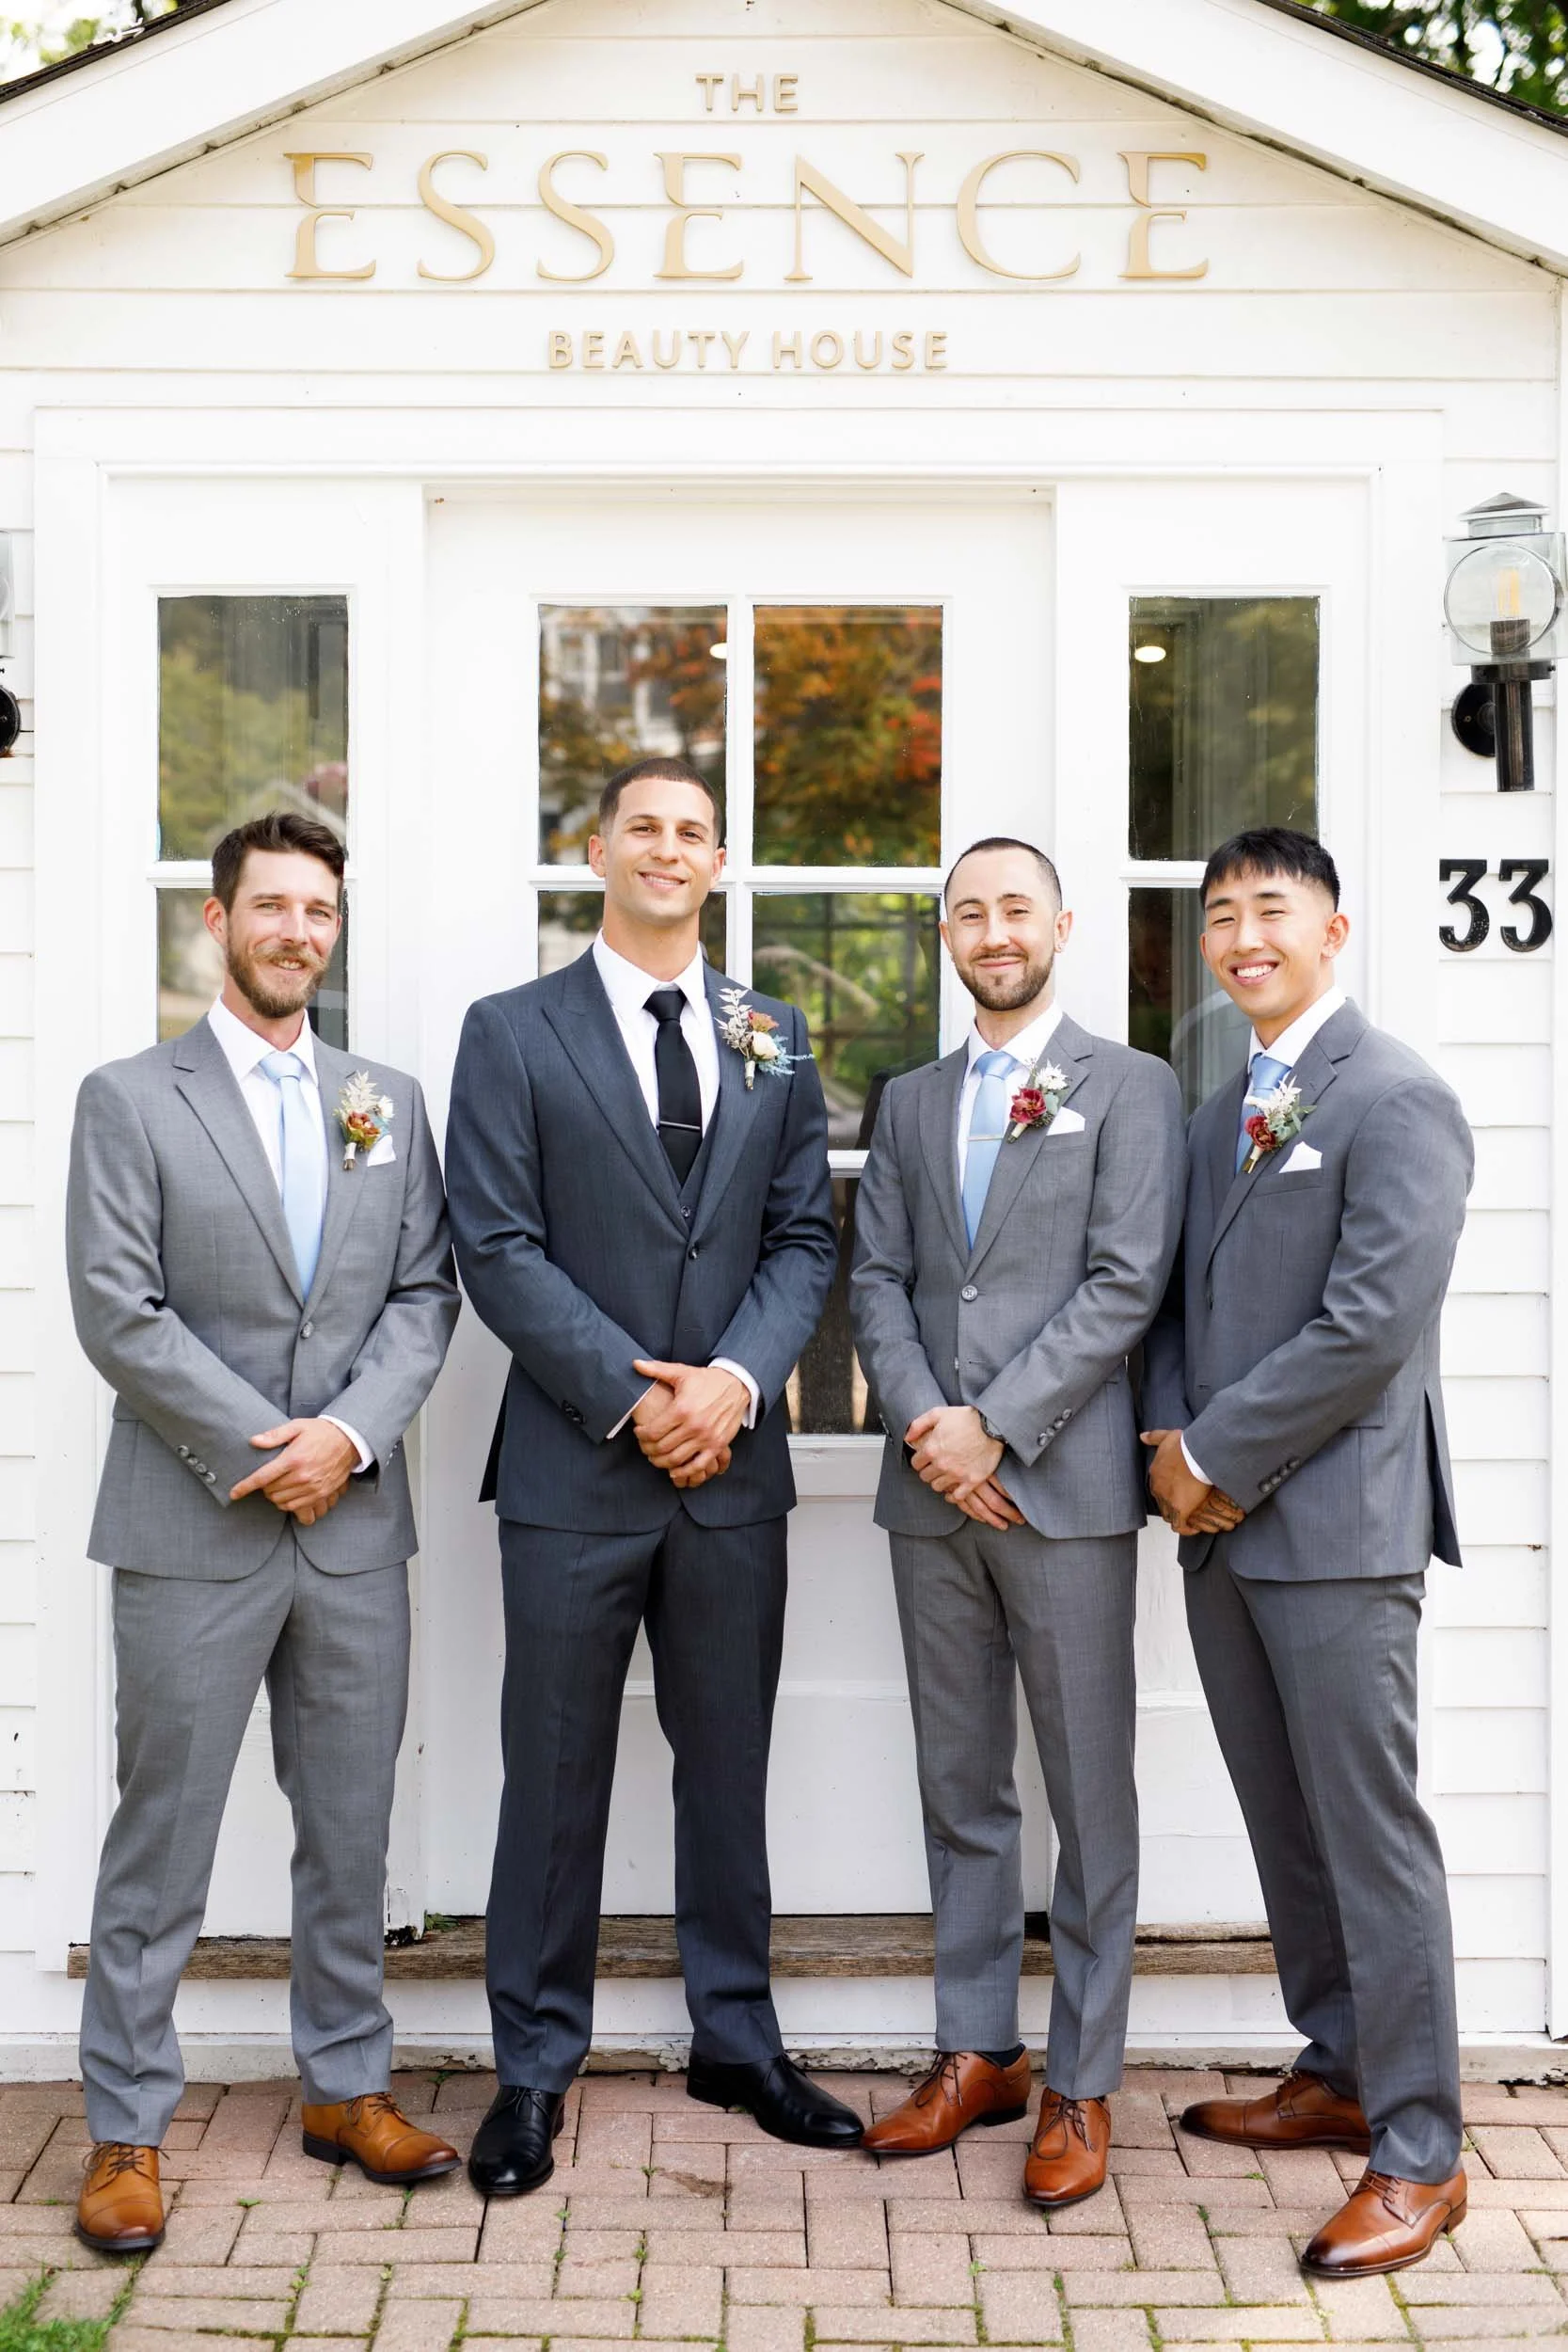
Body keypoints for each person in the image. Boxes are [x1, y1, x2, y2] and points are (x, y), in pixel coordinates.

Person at [446, 755, 855, 2196]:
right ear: (599, 850)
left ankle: (735, 2042)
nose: (667, 849)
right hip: (574, 1466)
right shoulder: (511, 1033)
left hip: (733, 1471)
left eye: (692, 831)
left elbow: (805, 1235)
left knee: (726, 1767)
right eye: (643, 828)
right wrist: (641, 1400)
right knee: (550, 1778)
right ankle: (533, 2072)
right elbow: (494, 1243)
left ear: (719, 859)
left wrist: (733, 1386)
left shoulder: (773, 1033)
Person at [66, 810, 462, 2255]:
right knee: (158, 1840)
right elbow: (119, 1308)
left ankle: (346, 2087)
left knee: (348, 1832)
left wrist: (347, 1439)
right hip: (193, 1525)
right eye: (273, 906)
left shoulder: (386, 1099)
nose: (299, 930)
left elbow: (426, 1294)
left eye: (320, 912)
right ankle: (123, 2127)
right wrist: (266, 1450)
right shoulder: (130, 1098)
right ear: (219, 922)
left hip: (353, 1530)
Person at [1142, 826, 1472, 2279]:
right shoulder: (1222, 1112)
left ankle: (1418, 2149)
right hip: (1218, 1538)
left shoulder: (1396, 1096)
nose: (1242, 936)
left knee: (1368, 1833)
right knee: (1286, 1825)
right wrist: (1165, 1448)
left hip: (1335, 1533)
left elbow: (1368, 1326)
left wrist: (1210, 1455)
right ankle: (1335, 2067)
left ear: (1333, 929)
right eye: (1220, 916)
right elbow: (1171, 1306)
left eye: (1269, 910)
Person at [848, 837, 1185, 2205]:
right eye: (968, 911)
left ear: (1062, 925)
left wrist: (999, 1424)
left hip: (1064, 1490)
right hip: (932, 1499)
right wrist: (932, 1429)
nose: (992, 930)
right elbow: (874, 1277)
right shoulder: (912, 1100)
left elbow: (1125, 1282)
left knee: (1087, 1796)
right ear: (945, 932)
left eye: (1014, 909)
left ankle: (1080, 2081)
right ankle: (973, 2050)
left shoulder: (1134, 1088)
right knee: (961, 1787)